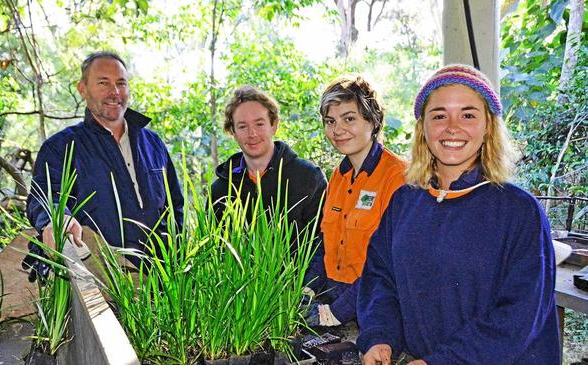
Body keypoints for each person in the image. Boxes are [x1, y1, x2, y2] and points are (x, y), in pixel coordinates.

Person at [357, 65, 560, 365]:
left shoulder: (519, 211)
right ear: (422, 128)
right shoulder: (405, 201)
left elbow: (519, 315)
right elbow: (380, 278)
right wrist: (380, 336)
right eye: (439, 115)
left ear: (488, 126)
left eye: (468, 115)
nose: (452, 127)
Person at [26, 51, 183, 270]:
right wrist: (58, 219)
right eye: (103, 83)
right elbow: (44, 197)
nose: (115, 92)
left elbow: (175, 206)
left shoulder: (153, 144)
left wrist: (177, 256)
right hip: (102, 279)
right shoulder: (60, 147)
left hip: (163, 281)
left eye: (121, 83)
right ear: (83, 89)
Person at [303, 75, 406, 327]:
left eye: (349, 119)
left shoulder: (399, 177)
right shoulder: (339, 176)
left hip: (378, 308)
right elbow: (325, 243)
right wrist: (307, 290)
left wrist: (338, 311)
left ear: (373, 121)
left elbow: (390, 262)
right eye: (330, 121)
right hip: (335, 297)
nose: (337, 130)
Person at [210, 85, 327, 251]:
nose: (252, 134)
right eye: (242, 126)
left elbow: (321, 246)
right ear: (233, 132)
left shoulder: (308, 177)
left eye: (259, 124)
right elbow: (217, 251)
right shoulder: (221, 190)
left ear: (274, 125)